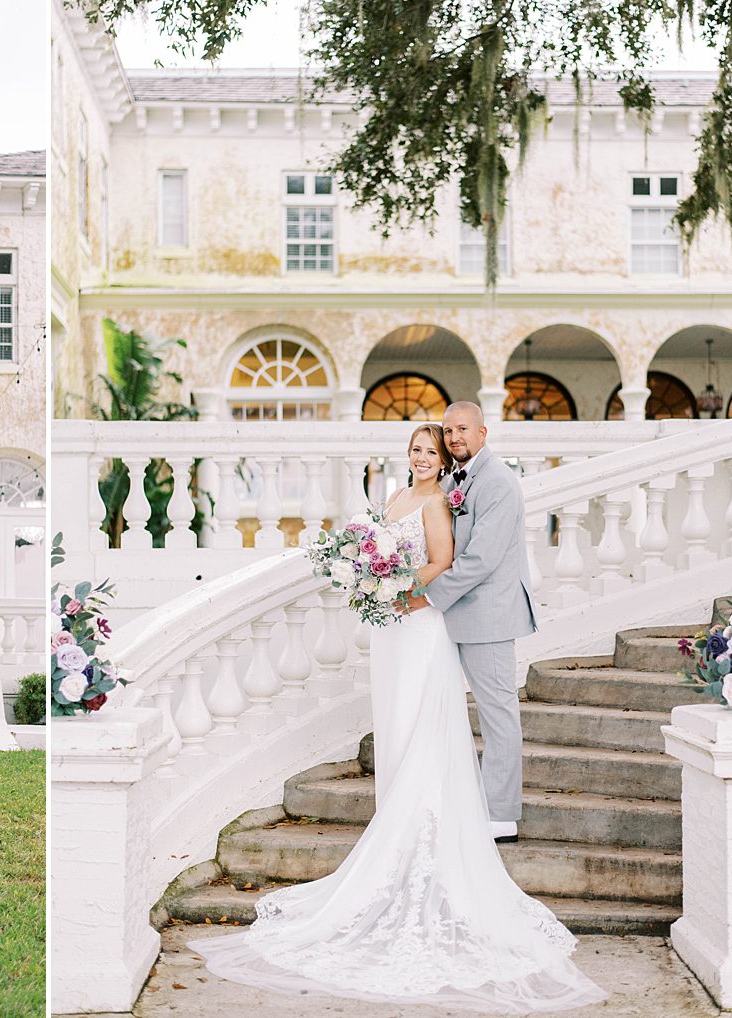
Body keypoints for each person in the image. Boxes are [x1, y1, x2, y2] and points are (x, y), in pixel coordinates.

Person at [189, 418, 604, 1012]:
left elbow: (442, 559)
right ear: (406, 453)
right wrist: (369, 575)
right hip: (394, 627)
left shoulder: (439, 500)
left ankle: (430, 820)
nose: (424, 458)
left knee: (426, 718)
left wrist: (401, 591)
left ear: (446, 456)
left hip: (420, 621)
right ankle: (396, 808)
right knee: (396, 718)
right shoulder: (394, 496)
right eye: (417, 449)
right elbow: (381, 544)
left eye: (433, 450)